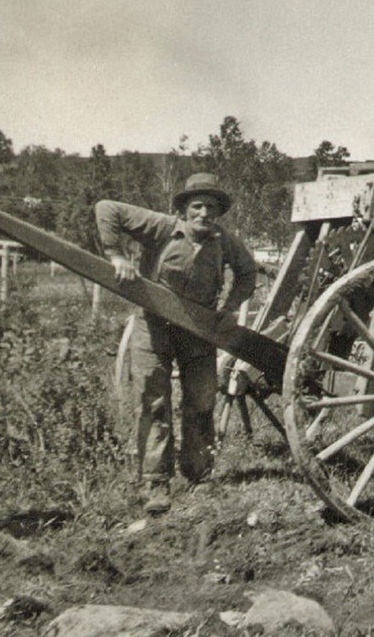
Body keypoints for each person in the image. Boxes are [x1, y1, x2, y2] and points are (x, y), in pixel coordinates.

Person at [96, 173, 257, 515]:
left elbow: (247, 274)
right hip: (152, 328)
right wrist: (117, 255)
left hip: (197, 333)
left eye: (211, 207)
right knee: (154, 402)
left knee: (200, 400)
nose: (204, 213)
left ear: (218, 213)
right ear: (184, 208)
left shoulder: (225, 241)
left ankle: (198, 476)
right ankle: (156, 483)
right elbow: (106, 208)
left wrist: (229, 308)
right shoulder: (161, 227)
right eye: (196, 205)